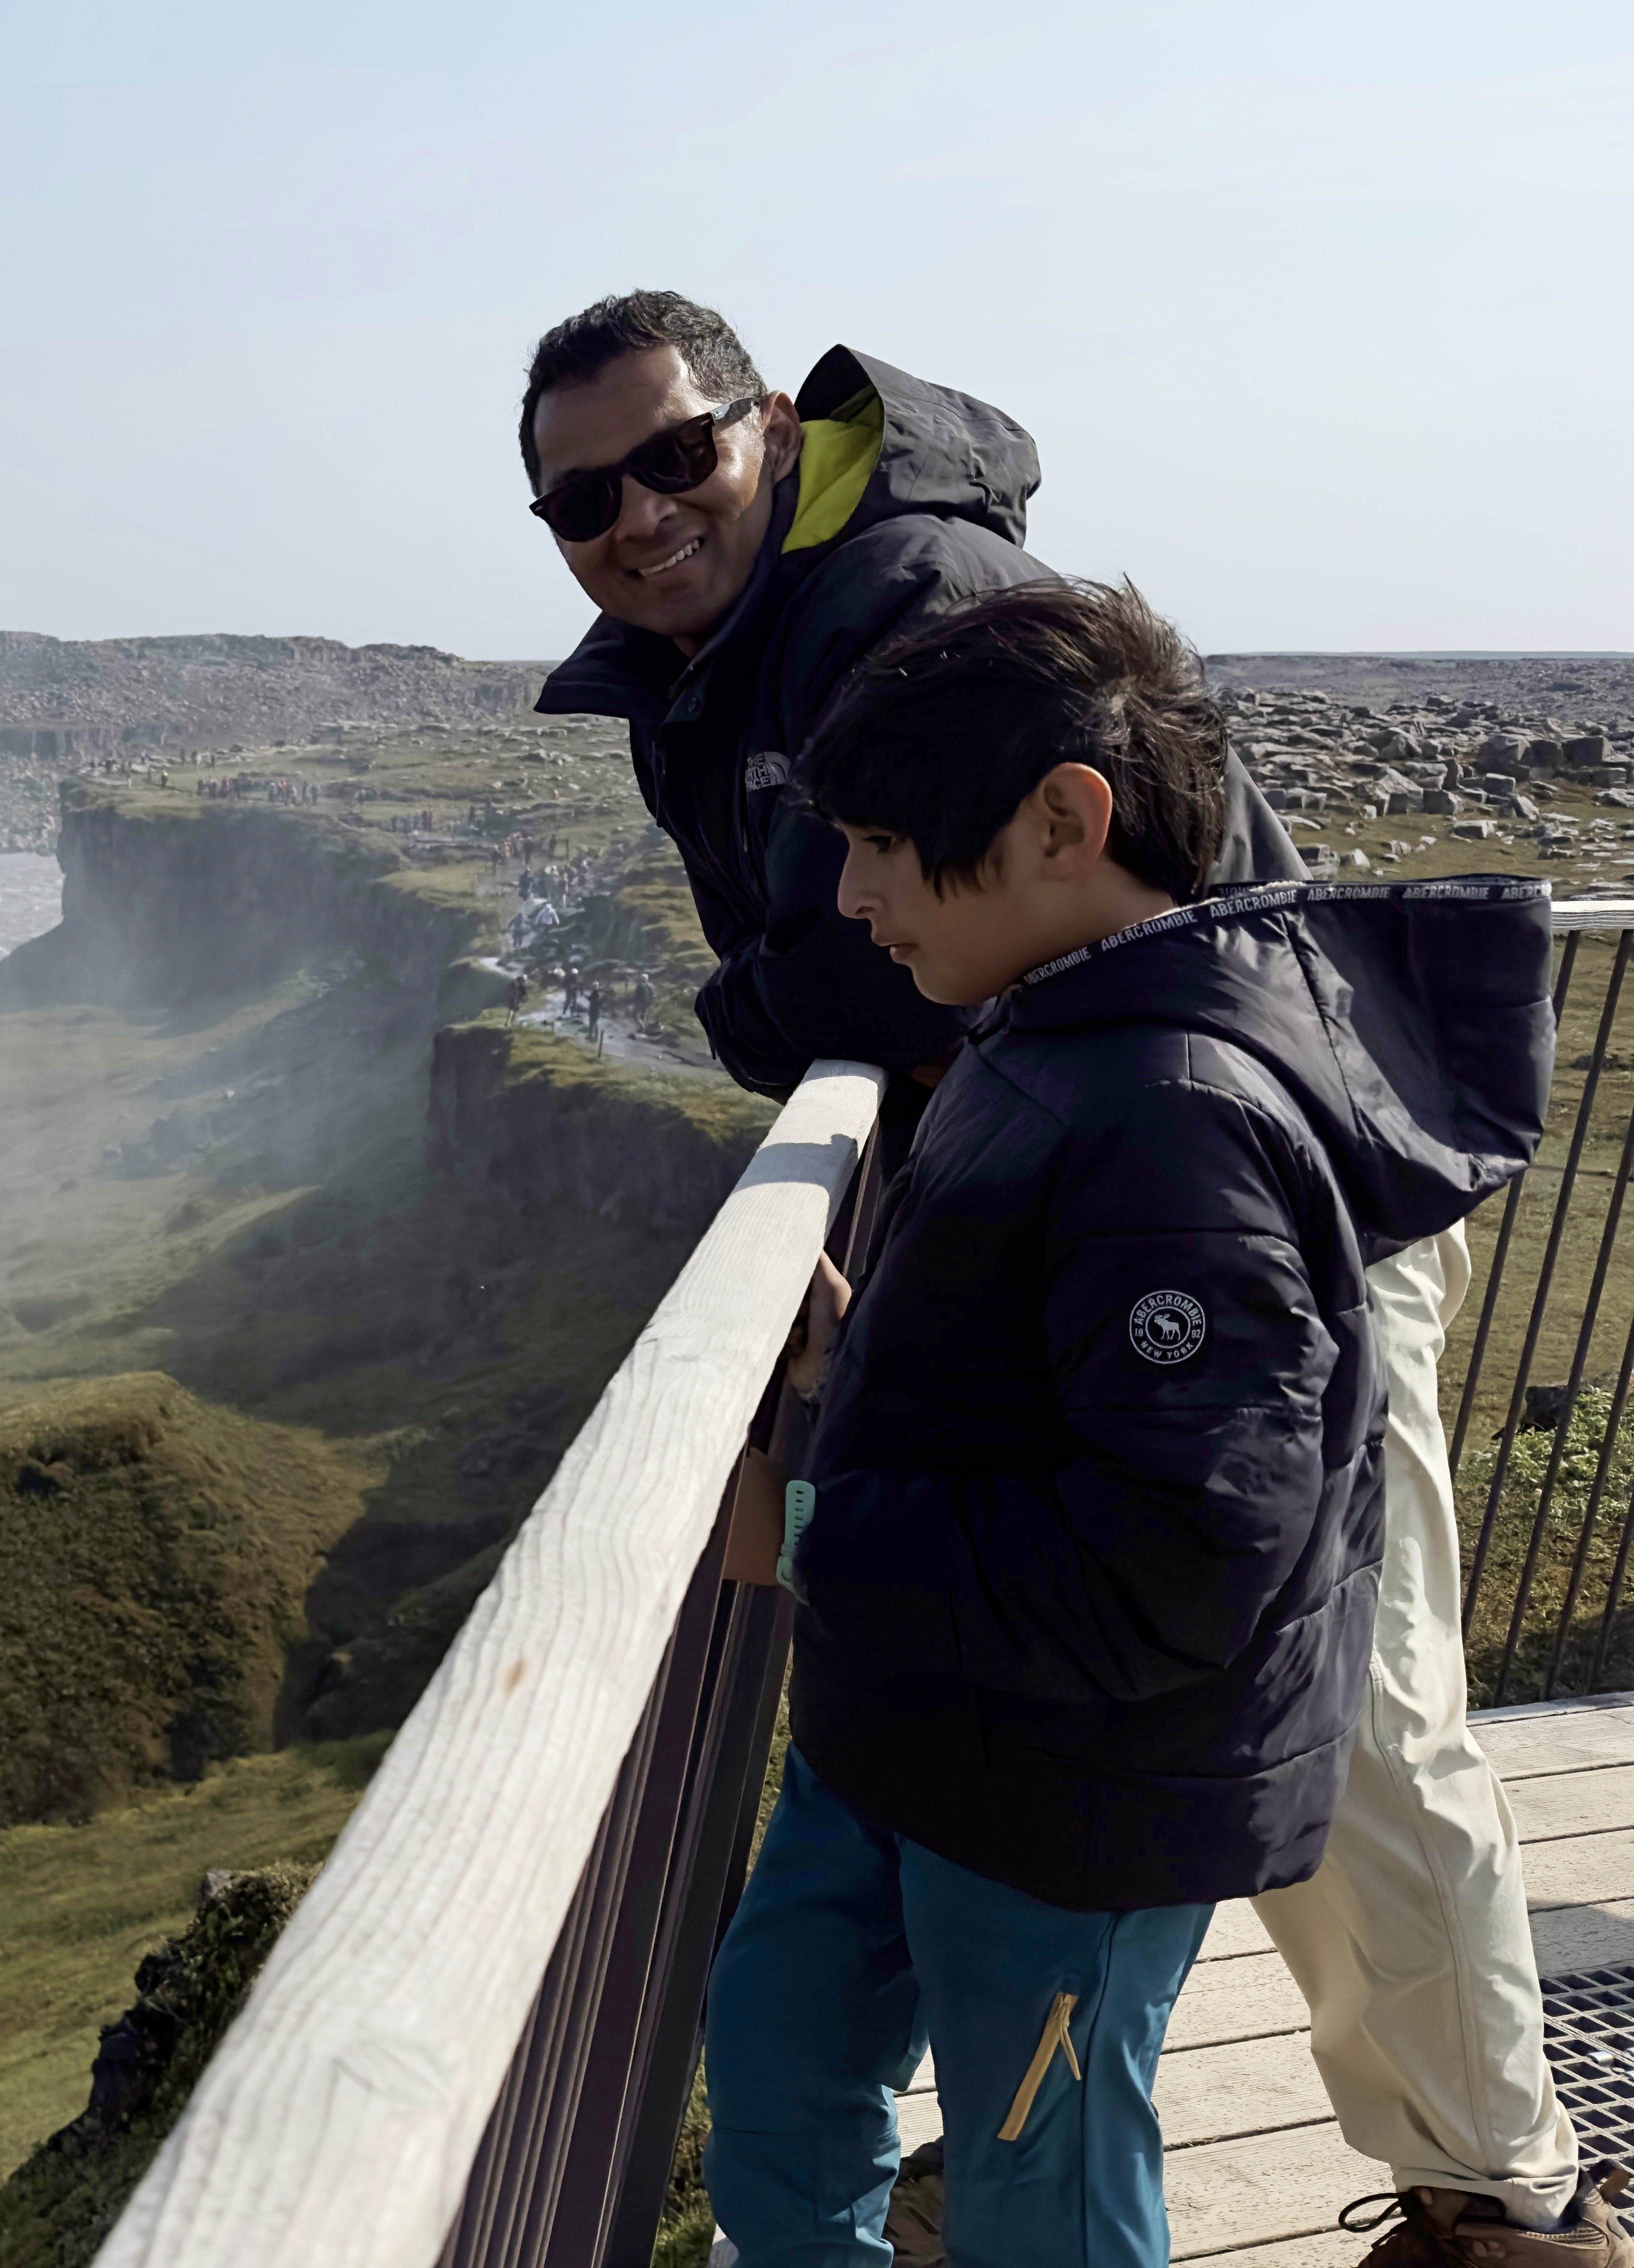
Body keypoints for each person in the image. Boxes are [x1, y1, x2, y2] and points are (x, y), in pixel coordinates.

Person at [517, 290, 1619, 2260]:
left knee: (1348, 1704)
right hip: (1105, 1184)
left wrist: (826, 1521)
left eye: (674, 455)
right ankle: (1078, 2090)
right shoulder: (763, 655)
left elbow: (844, 974)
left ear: (769, 425)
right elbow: (884, 959)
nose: (638, 514)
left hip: (1253, 1203)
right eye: (583, 496)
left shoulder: (908, 610)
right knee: (1295, 1692)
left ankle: (1497, 2199)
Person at [701, 578, 1560, 2262]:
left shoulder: (1177, 1123)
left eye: (882, 841)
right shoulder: (1054, 1038)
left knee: (1052, 2199)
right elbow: (1062, 1377)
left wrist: (812, 1529)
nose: (851, 896)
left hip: (1068, 1803)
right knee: (784, 2055)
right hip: (933, 1732)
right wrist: (861, 1371)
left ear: (1065, 820)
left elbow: (1174, 1555)